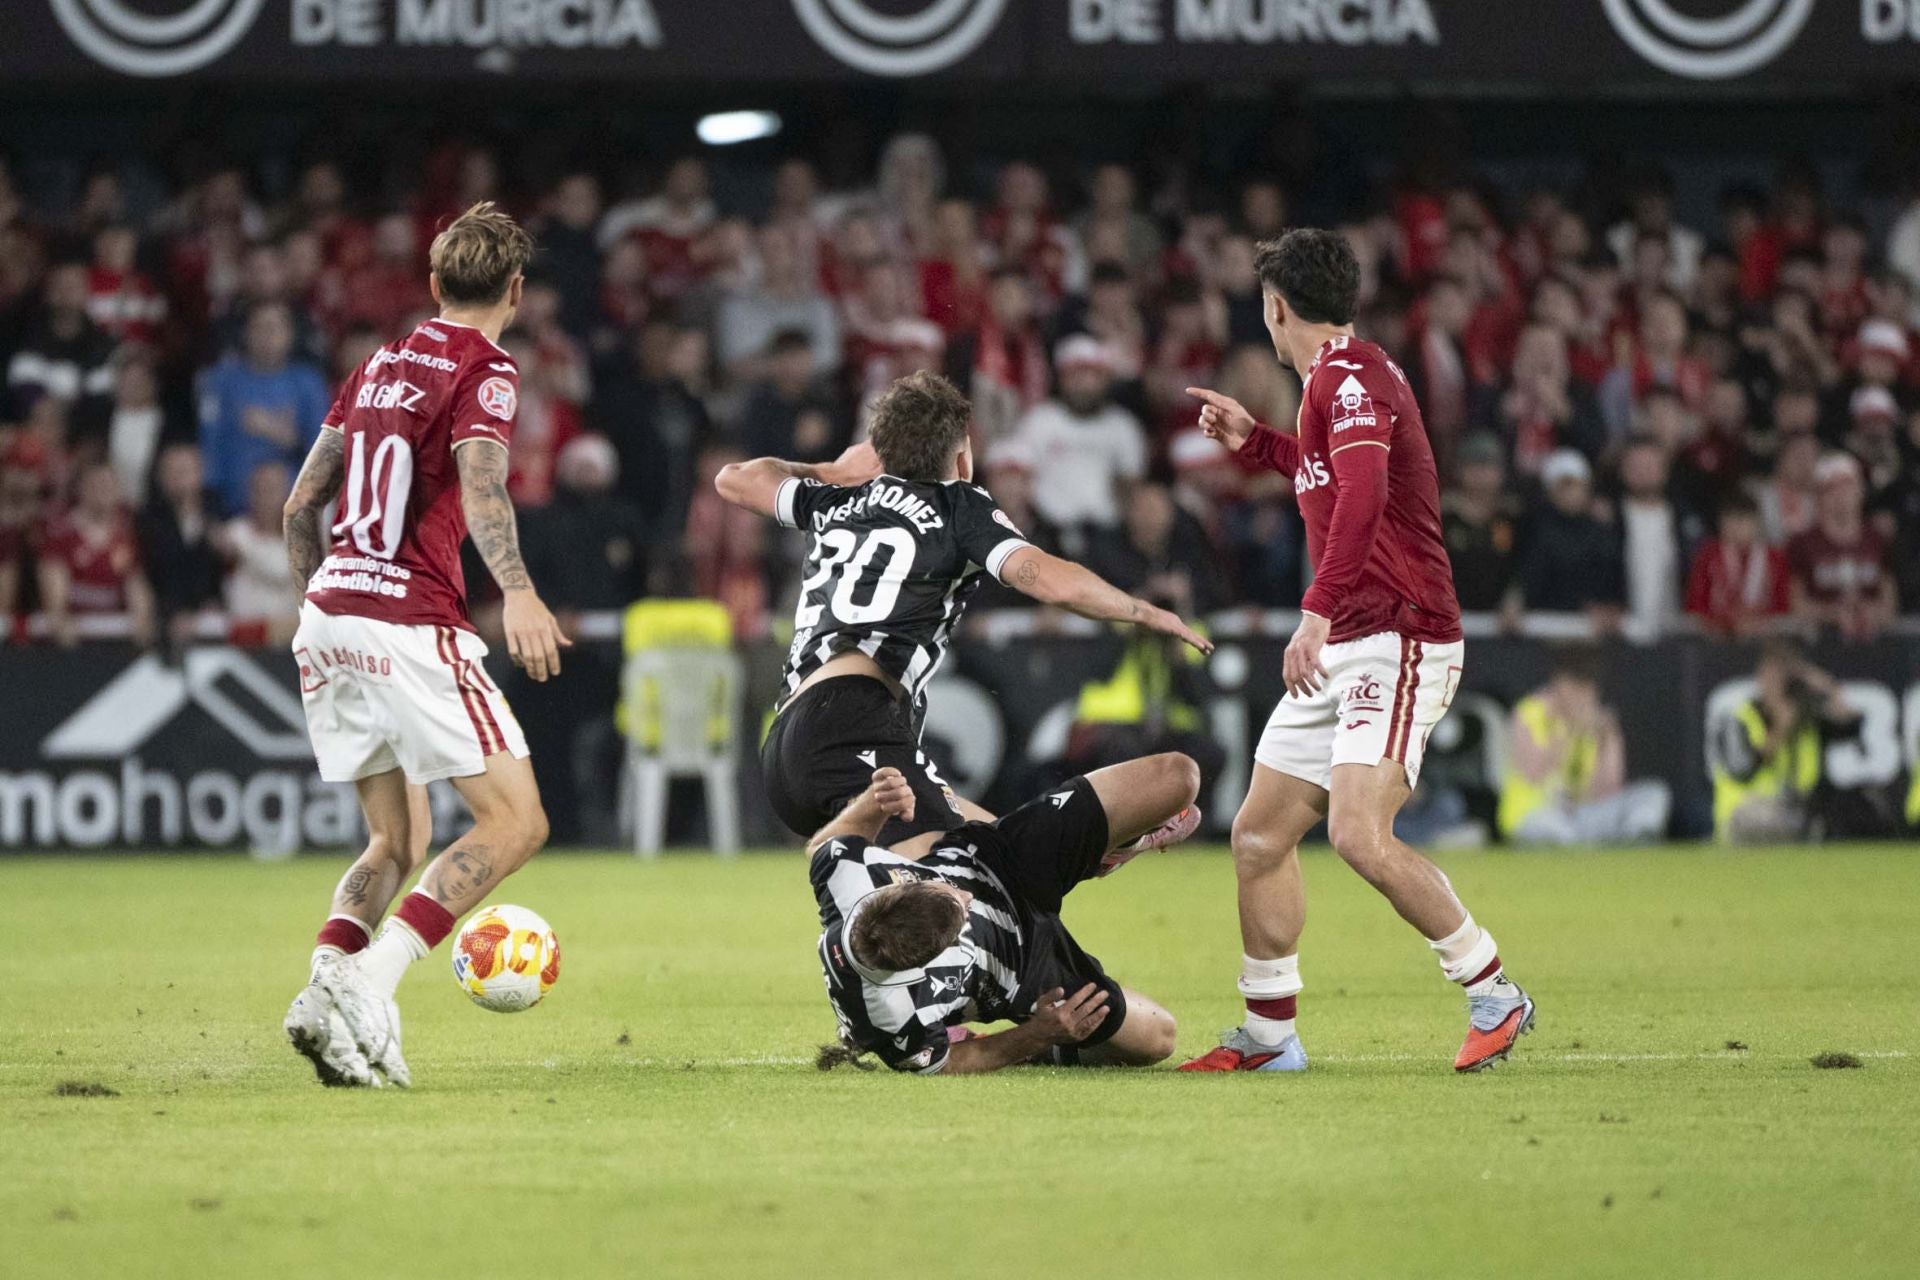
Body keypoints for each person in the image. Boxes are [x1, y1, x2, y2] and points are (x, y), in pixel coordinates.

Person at [1181, 229, 1532, 1075]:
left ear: (1274, 308)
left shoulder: (1349, 377)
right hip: (1353, 636)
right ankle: (1270, 1038)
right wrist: (1256, 441)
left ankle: (1494, 991)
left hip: (1398, 636)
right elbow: (1333, 470)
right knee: (1260, 836)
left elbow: (1366, 495)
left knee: (1358, 834)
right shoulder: (1341, 382)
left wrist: (1314, 612)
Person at [279, 203, 570, 1090]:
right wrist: (517, 591)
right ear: (515, 292)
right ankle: (369, 982)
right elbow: (484, 489)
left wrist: (327, 612)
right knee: (518, 821)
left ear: (436, 284)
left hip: (330, 609)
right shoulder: (486, 369)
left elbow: (300, 509)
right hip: (410, 619)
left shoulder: (373, 365)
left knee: (394, 839)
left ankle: (323, 988)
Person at [714, 369, 1209, 846]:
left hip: (789, 739)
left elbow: (733, 480)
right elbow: (1049, 581)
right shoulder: (958, 507)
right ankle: (1095, 843)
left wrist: (830, 470)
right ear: (961, 455)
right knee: (959, 881)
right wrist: (1142, 610)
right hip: (853, 718)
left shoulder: (837, 499)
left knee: (984, 846)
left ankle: (1088, 849)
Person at [811, 757, 1201, 1075]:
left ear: (898, 887)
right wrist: (1038, 1036)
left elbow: (826, 844)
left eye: (945, 889)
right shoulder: (893, 1018)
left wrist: (873, 802)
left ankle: (1109, 849)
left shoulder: (848, 878)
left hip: (997, 859)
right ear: (929, 961)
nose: (965, 896)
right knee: (1158, 1039)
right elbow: (949, 1063)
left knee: (1179, 777)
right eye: (962, 912)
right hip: (1025, 973)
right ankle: (1055, 1054)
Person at [1497, 652, 1671, 845]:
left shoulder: (1596, 723)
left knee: (1654, 793)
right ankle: (1588, 847)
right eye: (1577, 689)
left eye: (1588, 691)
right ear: (1560, 685)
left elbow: (1609, 789)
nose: (1583, 698)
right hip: (1535, 813)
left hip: (1580, 814)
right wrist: (1569, 731)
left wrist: (1606, 739)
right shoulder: (1529, 713)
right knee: (1557, 831)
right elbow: (1532, 773)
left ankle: (1637, 842)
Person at [1709, 641, 1861, 843]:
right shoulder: (1740, 719)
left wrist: (1830, 688)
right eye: (1771, 676)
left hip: (1795, 810)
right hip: (1743, 812)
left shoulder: (1807, 721)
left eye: (1783, 677)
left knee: (1841, 813)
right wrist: (1780, 728)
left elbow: (1850, 728)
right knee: (1790, 820)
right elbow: (1742, 770)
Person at [198, 301, 332, 515]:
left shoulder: (308, 383)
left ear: (289, 334)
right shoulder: (221, 381)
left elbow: (324, 452)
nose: (267, 336)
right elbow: (209, 445)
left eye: (275, 328)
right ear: (246, 333)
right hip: (235, 506)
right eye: (259, 328)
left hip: (295, 507)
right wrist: (211, 499)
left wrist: (286, 437)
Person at [1786, 453, 1895, 641]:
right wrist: (1832, 614)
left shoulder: (1877, 538)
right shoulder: (1802, 542)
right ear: (1819, 496)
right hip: (1820, 644)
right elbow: (1795, 604)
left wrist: (1870, 614)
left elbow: (1890, 602)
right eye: (1831, 488)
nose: (1841, 495)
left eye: (1847, 485)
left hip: (1874, 645)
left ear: (1860, 490)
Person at [1684, 491, 1791, 636]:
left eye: (1742, 520)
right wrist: (1726, 623)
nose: (1735, 527)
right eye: (1729, 520)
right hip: (1716, 637)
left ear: (1757, 523)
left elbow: (1782, 606)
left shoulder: (1774, 558)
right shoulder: (1708, 556)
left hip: (1764, 636)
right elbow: (1695, 605)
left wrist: (1760, 624)